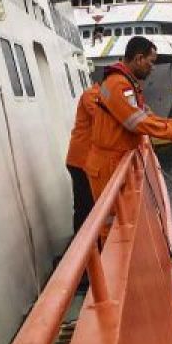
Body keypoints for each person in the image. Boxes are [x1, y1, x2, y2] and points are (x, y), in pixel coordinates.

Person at [84, 36, 172, 199]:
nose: (152, 68)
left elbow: (144, 116)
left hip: (114, 162)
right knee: (112, 220)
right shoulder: (119, 85)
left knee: (121, 217)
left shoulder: (124, 83)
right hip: (108, 167)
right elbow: (136, 123)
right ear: (139, 59)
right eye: (151, 62)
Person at [65, 82, 100, 233]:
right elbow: (102, 117)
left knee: (88, 204)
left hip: (88, 160)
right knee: (84, 205)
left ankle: (87, 243)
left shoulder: (104, 94)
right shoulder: (91, 95)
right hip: (80, 161)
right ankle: (82, 246)